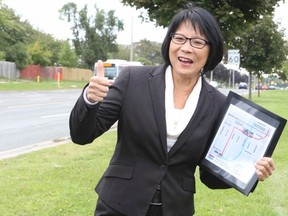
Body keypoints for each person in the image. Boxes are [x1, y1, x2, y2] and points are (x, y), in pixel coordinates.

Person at [69, 3, 275, 216]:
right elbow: (82, 135)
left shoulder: (218, 105)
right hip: (119, 205)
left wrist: (250, 171)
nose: (186, 48)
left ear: (211, 50)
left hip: (175, 209)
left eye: (197, 42)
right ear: (169, 42)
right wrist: (90, 100)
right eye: (179, 38)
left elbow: (209, 177)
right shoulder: (133, 79)